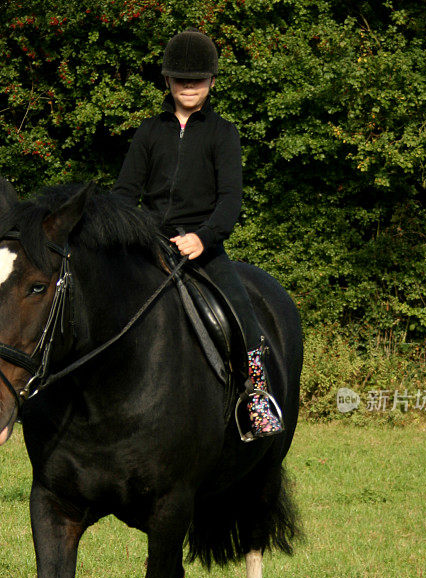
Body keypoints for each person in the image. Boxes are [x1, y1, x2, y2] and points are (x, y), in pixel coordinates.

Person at [112, 28, 283, 439]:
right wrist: (126, 234)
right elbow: (124, 193)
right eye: (181, 79)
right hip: (149, 244)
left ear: (211, 82)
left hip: (203, 248)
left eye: (198, 80)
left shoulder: (223, 134)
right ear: (168, 82)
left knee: (245, 318)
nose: (189, 87)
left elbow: (229, 202)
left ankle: (255, 399)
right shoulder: (149, 132)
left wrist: (203, 238)